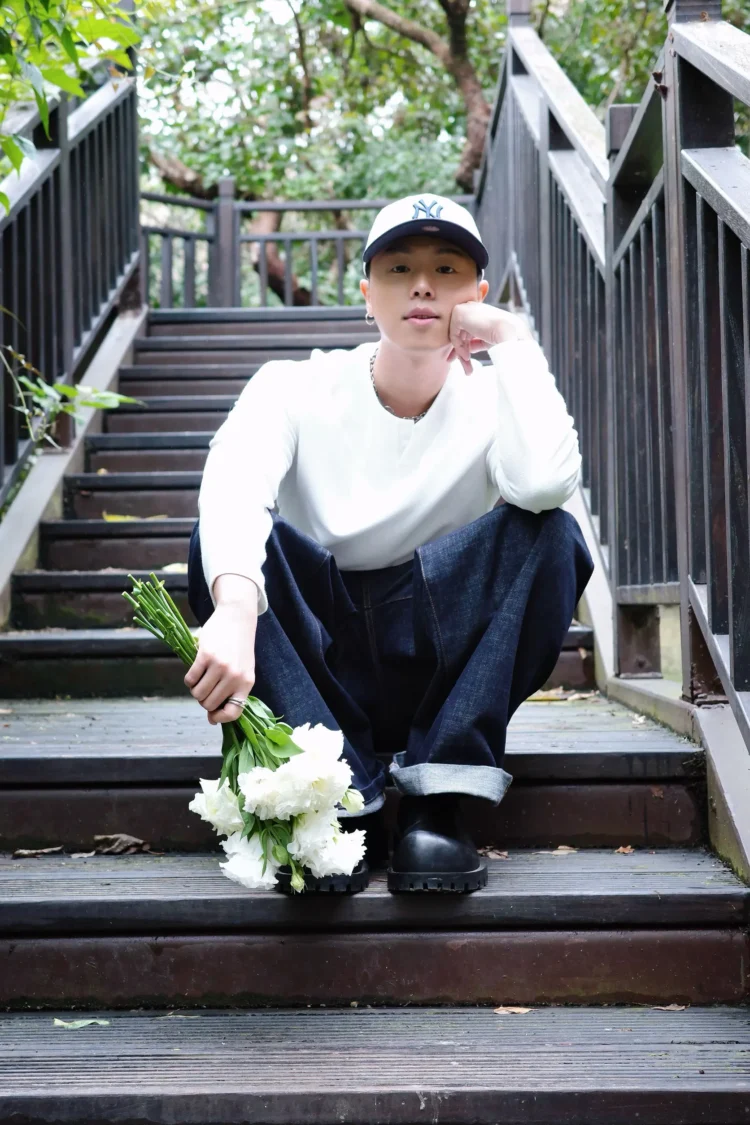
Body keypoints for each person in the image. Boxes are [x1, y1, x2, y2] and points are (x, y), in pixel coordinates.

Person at [186, 193, 593, 896]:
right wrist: (234, 609)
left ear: (477, 295)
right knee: (220, 545)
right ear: (367, 294)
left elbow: (544, 484)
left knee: (551, 533)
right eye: (400, 268)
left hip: (436, 659)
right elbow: (233, 482)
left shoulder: (498, 396)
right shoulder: (293, 385)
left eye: (447, 269)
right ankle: (340, 795)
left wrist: (514, 339)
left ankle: (440, 800)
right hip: (320, 662)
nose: (423, 286)